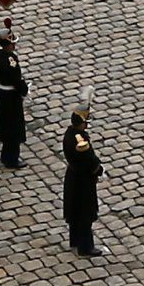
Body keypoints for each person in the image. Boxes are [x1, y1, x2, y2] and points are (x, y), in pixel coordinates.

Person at [62, 108, 102, 256]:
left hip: (73, 178)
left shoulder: (69, 134)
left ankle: (75, 240)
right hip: (83, 181)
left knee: (75, 212)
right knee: (85, 214)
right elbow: (89, 161)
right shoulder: (80, 142)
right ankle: (85, 247)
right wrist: (98, 169)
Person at [0, 29, 30, 169]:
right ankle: (12, 158)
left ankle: (5, 154)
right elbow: (16, 79)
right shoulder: (11, 60)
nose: (14, 46)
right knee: (13, 127)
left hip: (2, 94)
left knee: (5, 125)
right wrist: (24, 90)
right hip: (12, 97)